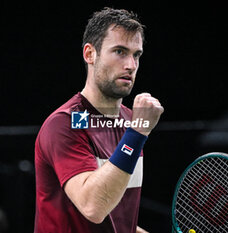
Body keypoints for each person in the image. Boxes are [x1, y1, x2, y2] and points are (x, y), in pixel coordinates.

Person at [34, 7, 163, 233]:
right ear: (89, 54)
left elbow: (117, 220)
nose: (131, 65)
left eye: (136, 55)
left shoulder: (130, 121)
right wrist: (138, 133)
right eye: (120, 52)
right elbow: (93, 207)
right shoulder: (67, 123)